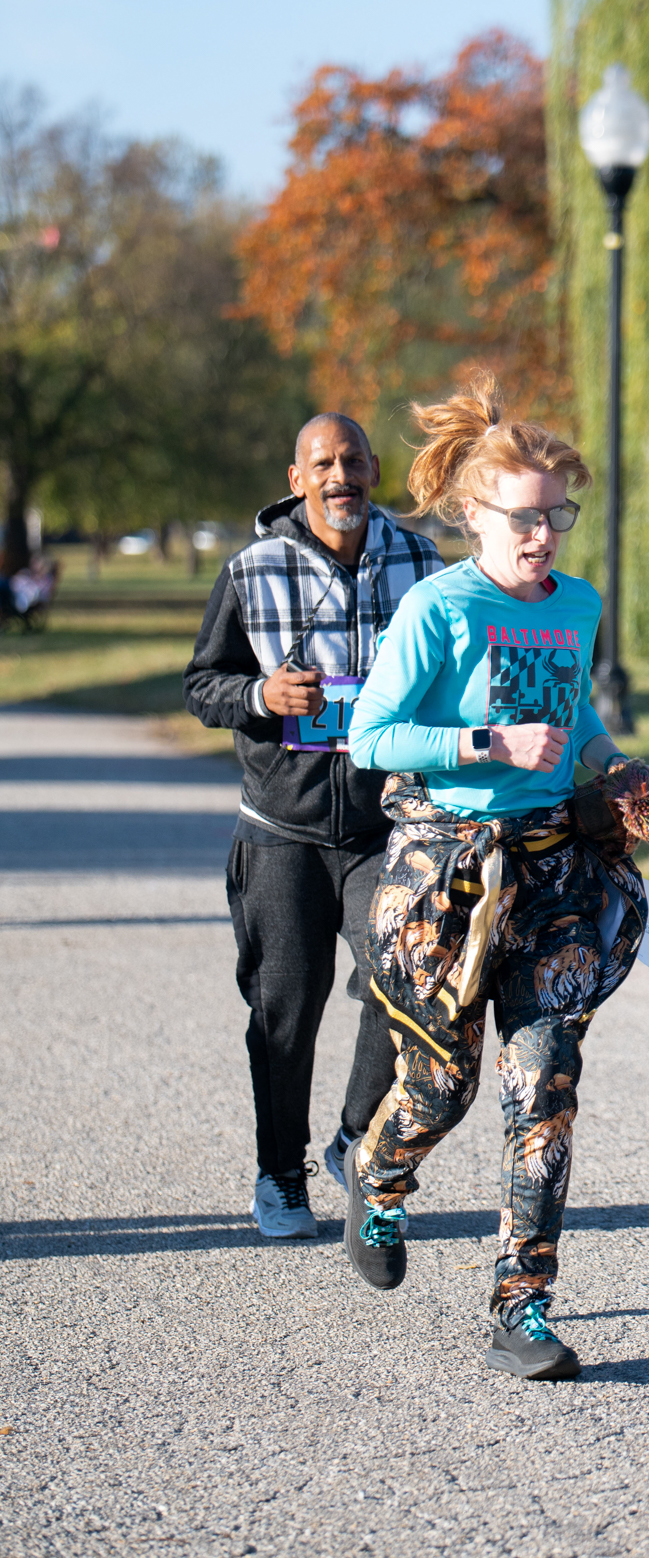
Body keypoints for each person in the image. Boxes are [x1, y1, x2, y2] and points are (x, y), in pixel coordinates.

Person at [345, 372, 649, 1381]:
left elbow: (572, 716)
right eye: (524, 520)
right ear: (471, 514)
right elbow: (372, 737)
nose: (543, 538)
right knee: (441, 1089)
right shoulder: (437, 609)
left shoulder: (576, 605)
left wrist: (609, 766)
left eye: (557, 518)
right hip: (445, 874)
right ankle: (378, 1173)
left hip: (549, 871)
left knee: (544, 1089)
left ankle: (520, 1308)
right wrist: (488, 734)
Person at [184, 413, 445, 1239]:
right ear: (296, 478)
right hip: (281, 830)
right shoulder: (251, 569)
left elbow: (454, 673)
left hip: (386, 828)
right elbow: (203, 685)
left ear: (375, 471)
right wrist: (264, 699)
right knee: (284, 1010)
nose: (342, 476)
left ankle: (351, 1138)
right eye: (323, 463)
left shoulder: (419, 562)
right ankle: (278, 1175)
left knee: (400, 979)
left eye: (355, 460)